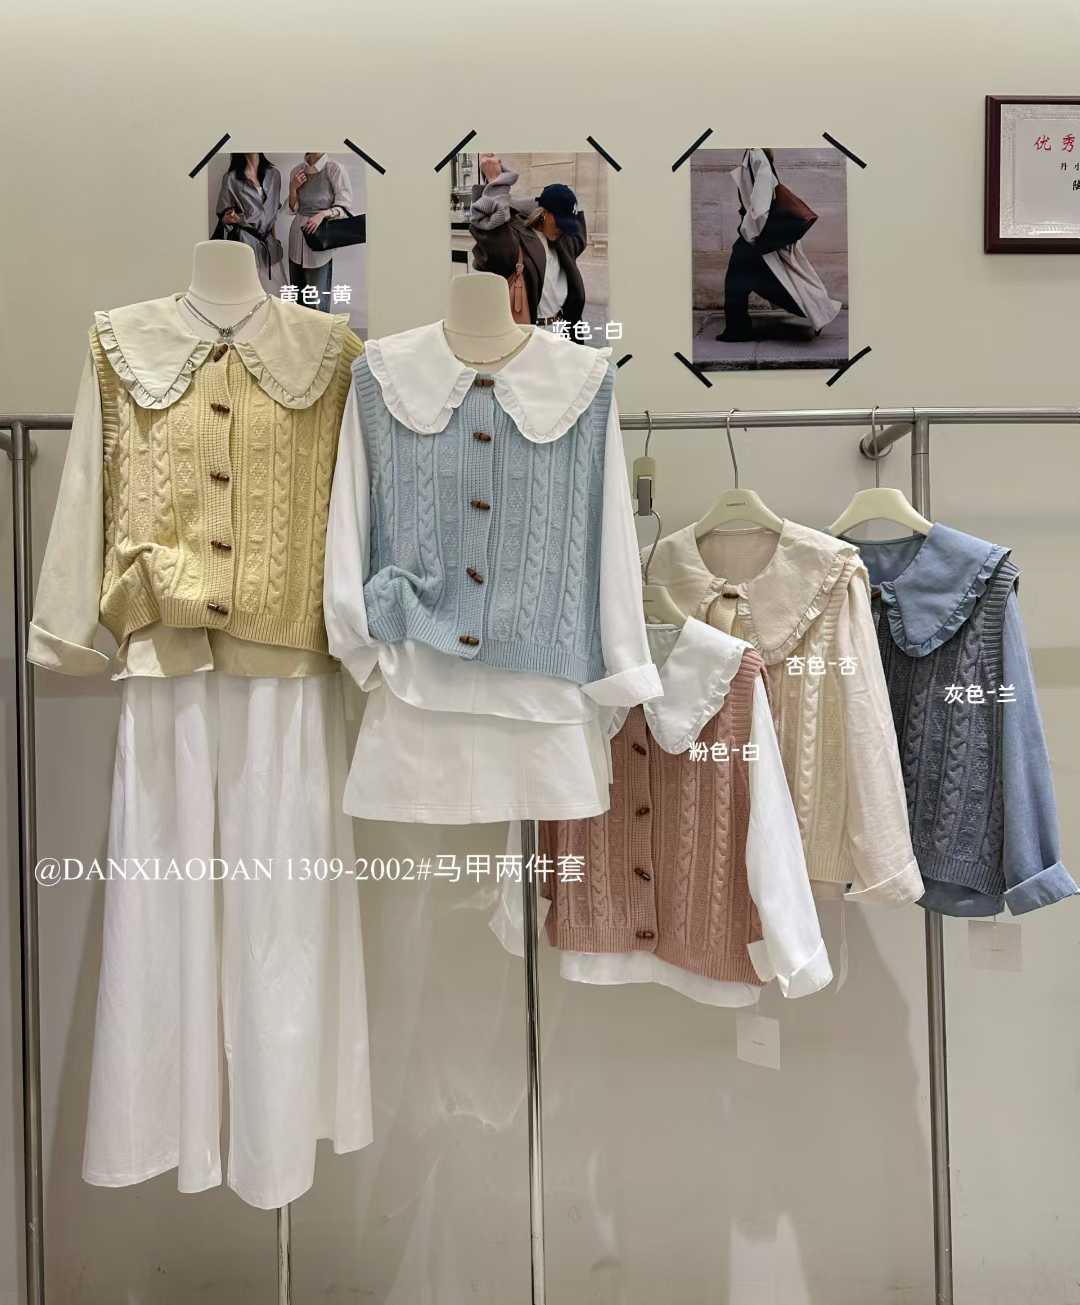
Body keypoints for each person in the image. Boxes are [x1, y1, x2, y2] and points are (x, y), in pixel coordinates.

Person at [719, 147, 841, 343]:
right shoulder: (756, 153)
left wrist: (749, 234)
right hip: (756, 232)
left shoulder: (755, 152)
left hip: (755, 233)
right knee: (756, 280)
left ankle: (738, 329)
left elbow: (761, 203)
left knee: (740, 280)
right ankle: (818, 310)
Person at [469, 155, 588, 335]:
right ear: (544, 214)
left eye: (567, 225)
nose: (562, 229)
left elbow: (580, 235)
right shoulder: (518, 238)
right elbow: (492, 233)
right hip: (532, 333)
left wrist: (568, 203)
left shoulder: (565, 240)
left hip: (562, 330)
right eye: (560, 223)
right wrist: (495, 183)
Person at [287, 152, 353, 311]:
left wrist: (323, 214)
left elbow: (345, 207)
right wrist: (293, 188)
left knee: (317, 301)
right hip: (296, 239)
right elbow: (293, 209)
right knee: (298, 301)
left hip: (320, 239)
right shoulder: (297, 170)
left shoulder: (334, 169)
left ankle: (319, 328)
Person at [213, 153, 283, 288]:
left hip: (269, 247)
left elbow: (274, 214)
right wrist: (228, 219)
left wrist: (275, 241)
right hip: (245, 244)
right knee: (249, 292)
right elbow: (223, 216)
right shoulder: (230, 178)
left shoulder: (274, 175)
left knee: (275, 293)